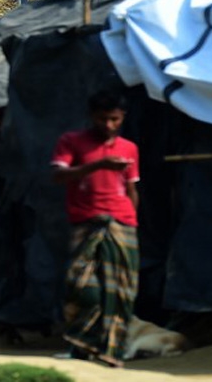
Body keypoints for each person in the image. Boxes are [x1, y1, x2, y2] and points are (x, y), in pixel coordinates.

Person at [50, 90, 140, 368]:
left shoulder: (129, 148)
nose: (109, 125)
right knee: (81, 285)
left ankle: (112, 350)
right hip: (86, 221)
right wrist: (98, 164)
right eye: (103, 119)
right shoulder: (72, 142)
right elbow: (57, 176)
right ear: (92, 117)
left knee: (121, 290)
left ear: (122, 117)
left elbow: (131, 188)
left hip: (122, 224)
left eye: (114, 119)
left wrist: (131, 219)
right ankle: (80, 344)